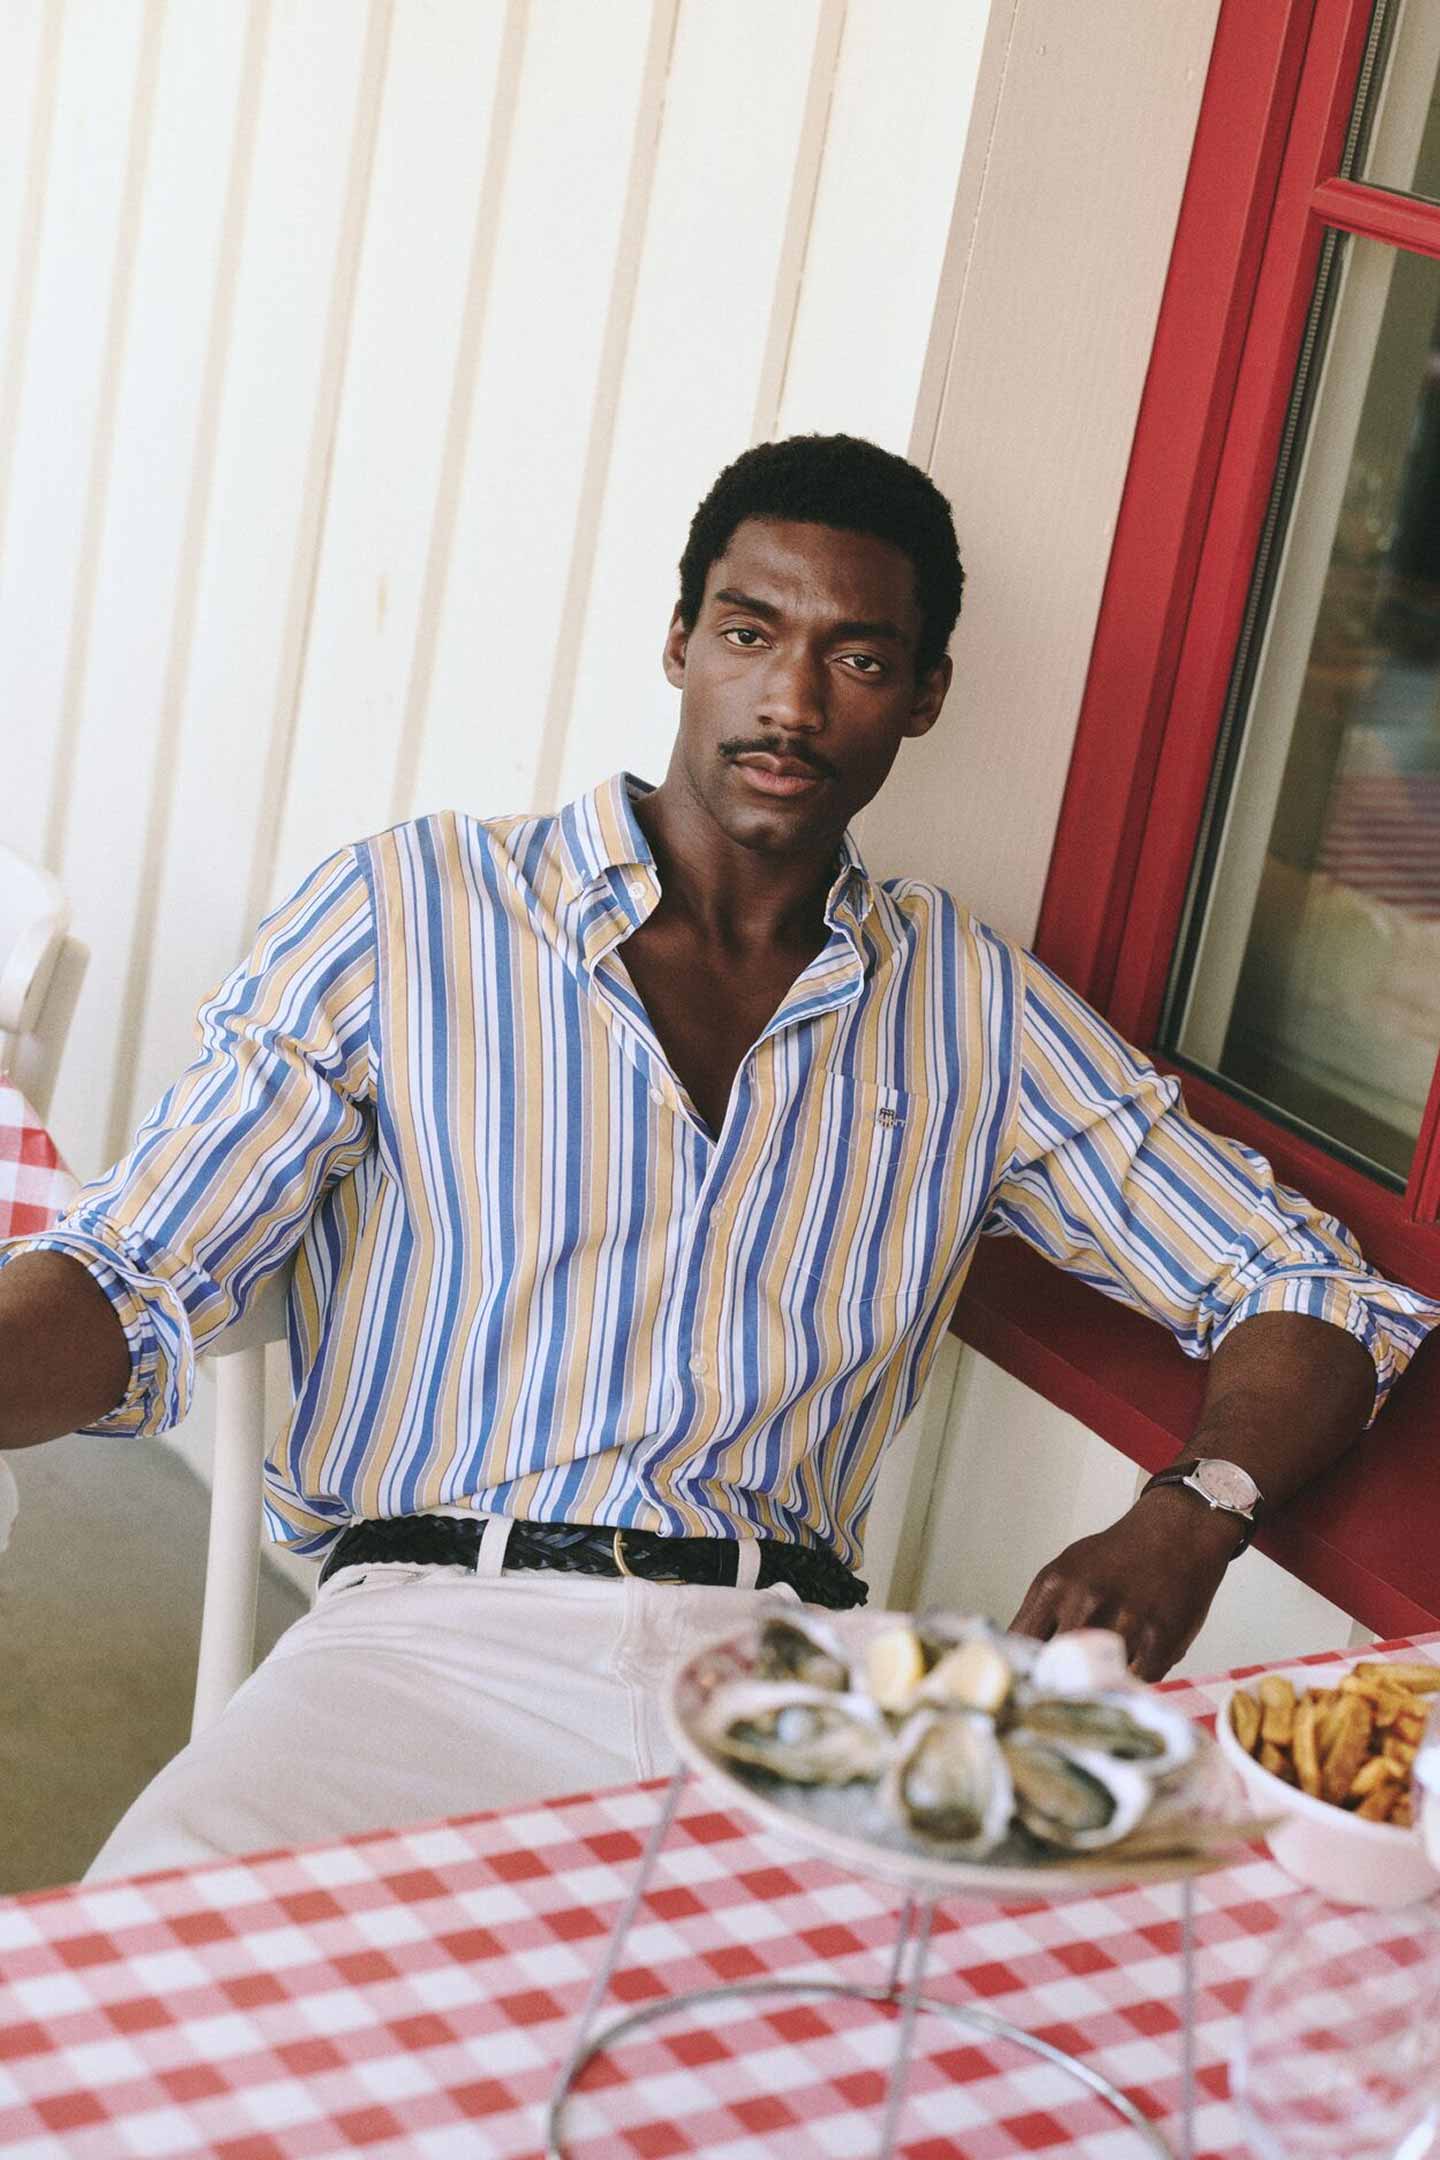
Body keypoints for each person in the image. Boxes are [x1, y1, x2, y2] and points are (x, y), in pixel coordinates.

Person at [2, 434, 1435, 1878]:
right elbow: (134, 1276)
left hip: (788, 1677)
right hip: (422, 1647)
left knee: (991, 2034)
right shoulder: (414, 911)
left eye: (859, 661)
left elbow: (1318, 1292)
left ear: (924, 696)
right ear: (682, 641)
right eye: (751, 633)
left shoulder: (971, 1006)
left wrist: (1191, 1518)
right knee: (117, 1991)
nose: (792, 701)